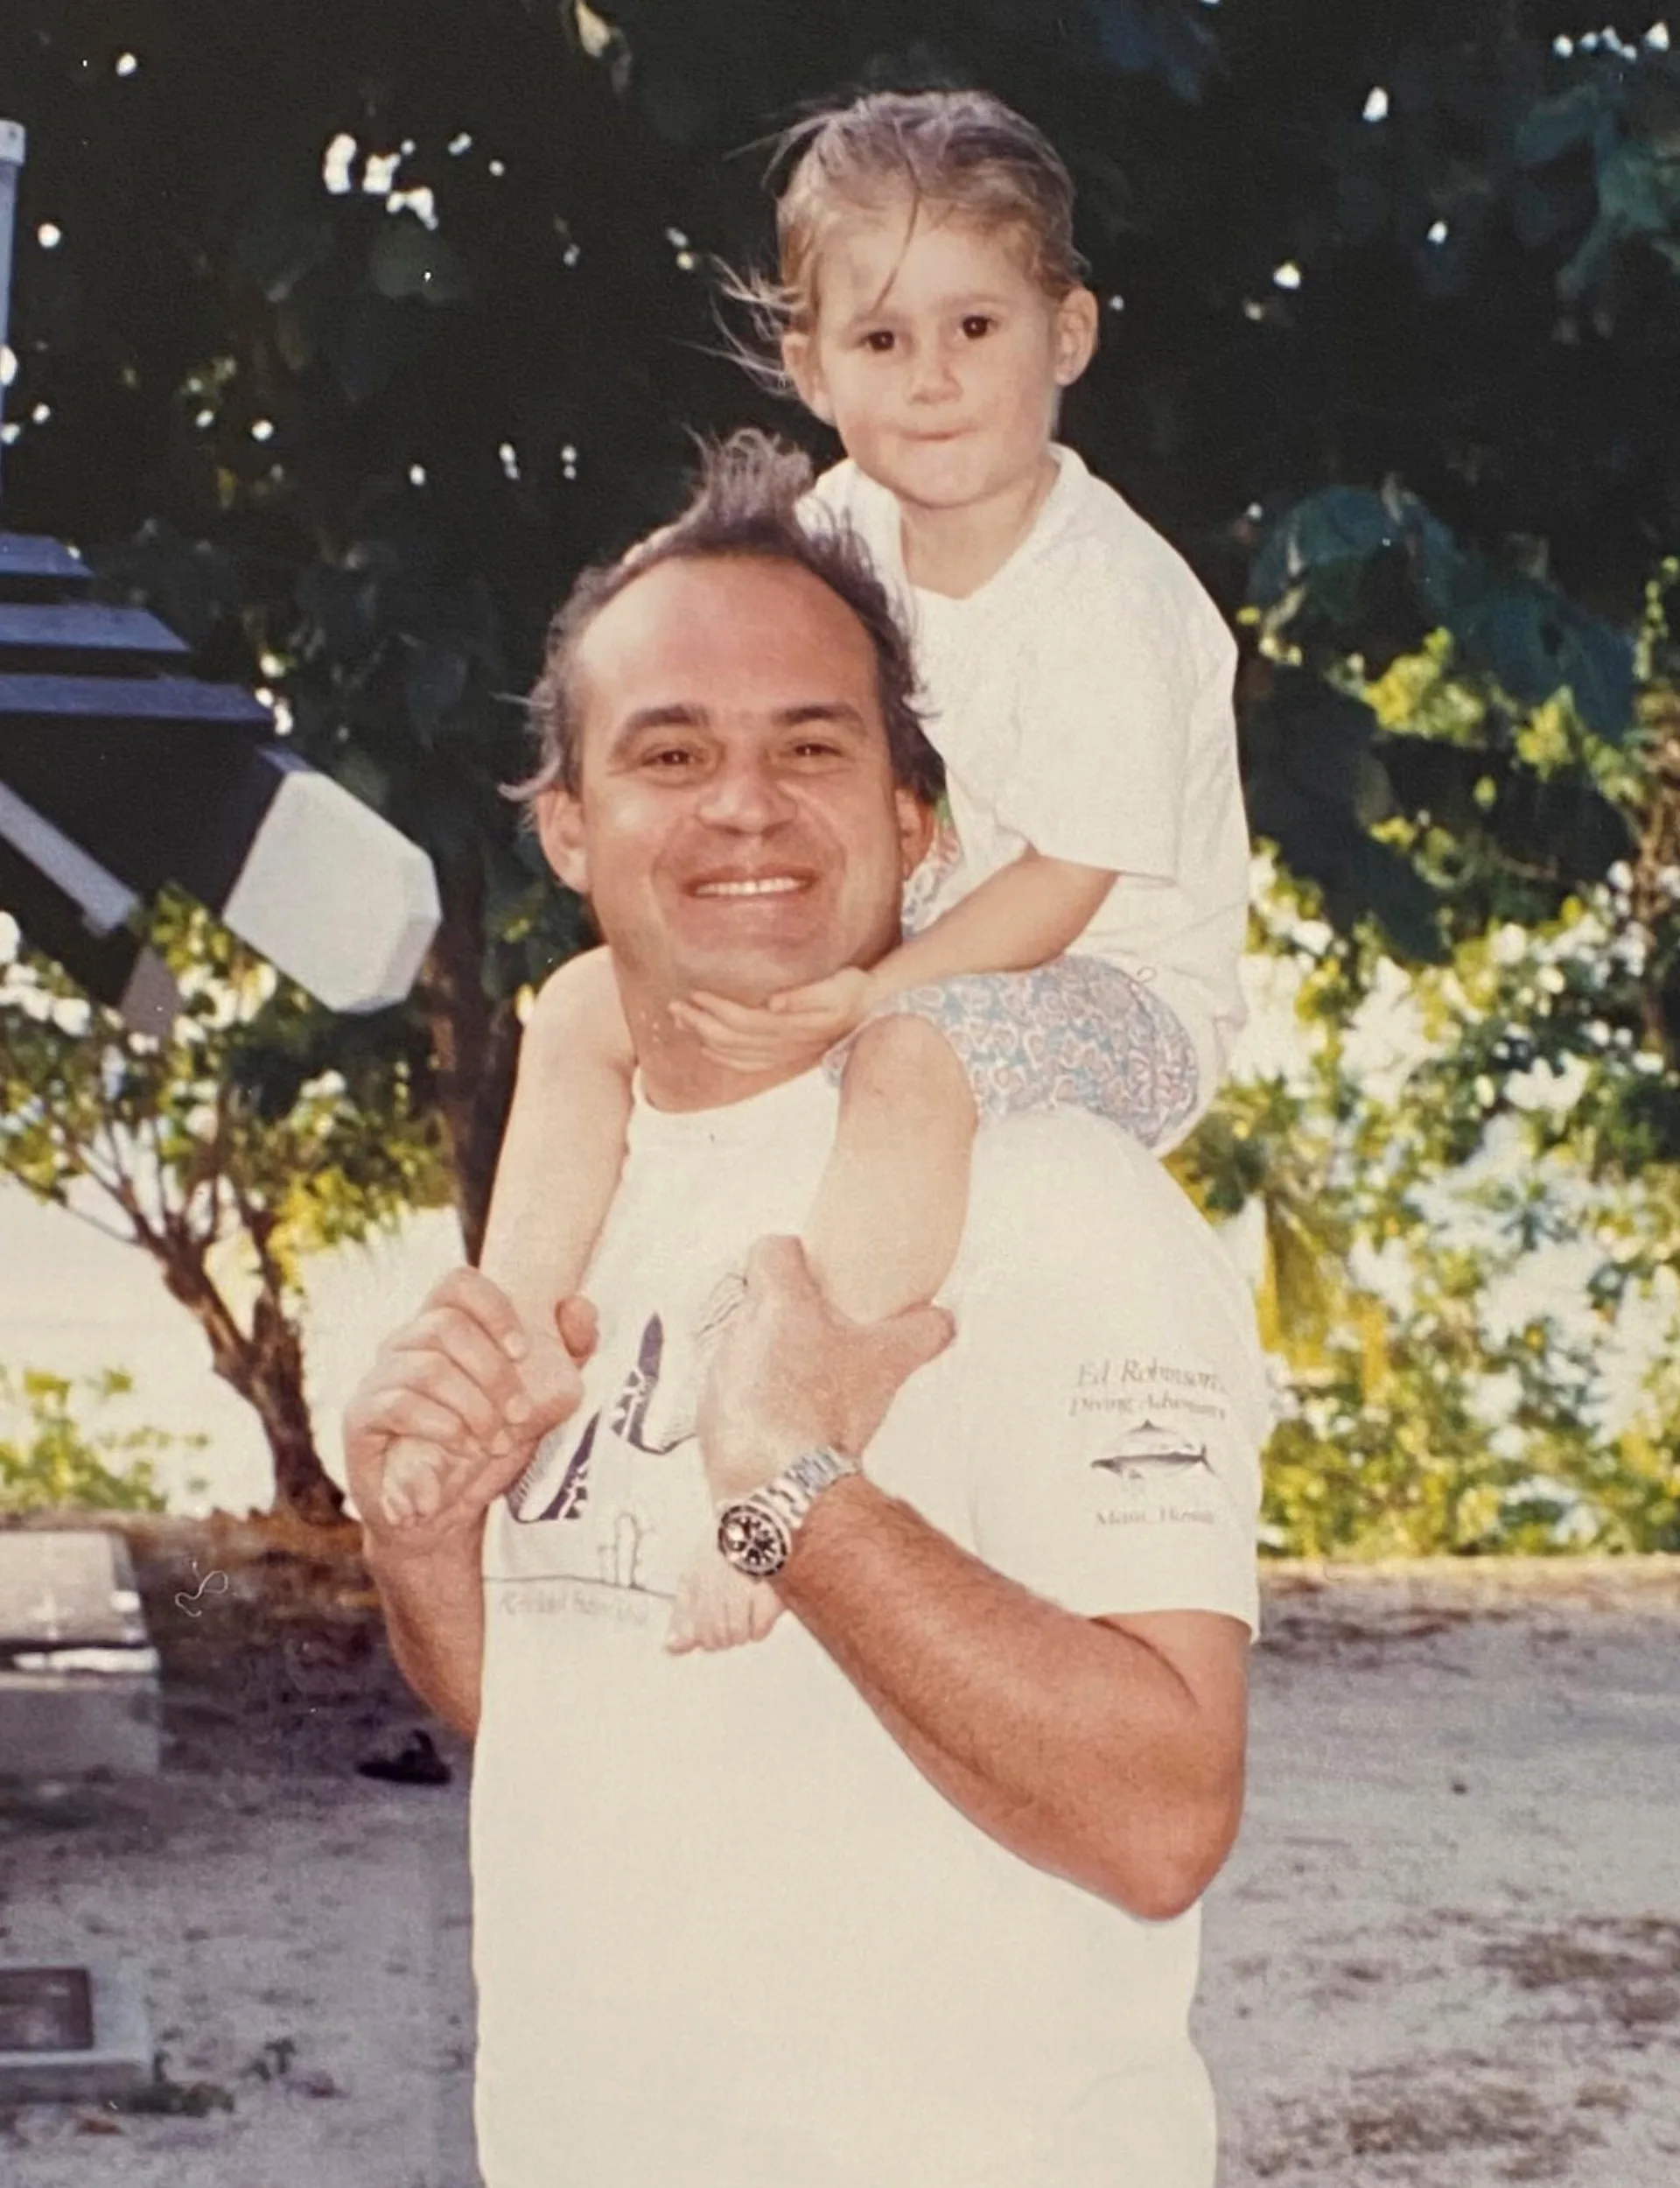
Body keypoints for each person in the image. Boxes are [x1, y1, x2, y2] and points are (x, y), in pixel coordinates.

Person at [343, 432, 1268, 2188]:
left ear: (914, 824)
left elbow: (1161, 1816)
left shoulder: (1053, 1196)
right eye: (669, 754)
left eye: (813, 748)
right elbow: (551, 1720)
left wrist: (787, 1491)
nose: (744, 805)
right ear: (569, 827)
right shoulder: (581, 1204)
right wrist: (425, 1543)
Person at [378, 88, 1250, 1660]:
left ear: (1069, 332)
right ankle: (507, 1351)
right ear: (809, 367)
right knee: (583, 1004)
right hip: (918, 950)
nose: (933, 381)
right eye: (881, 340)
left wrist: (865, 990)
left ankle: (806, 1417)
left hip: (1115, 992)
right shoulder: (840, 523)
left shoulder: (1107, 593)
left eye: (977, 325)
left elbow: (1067, 888)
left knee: (912, 1061)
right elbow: (684, 629)